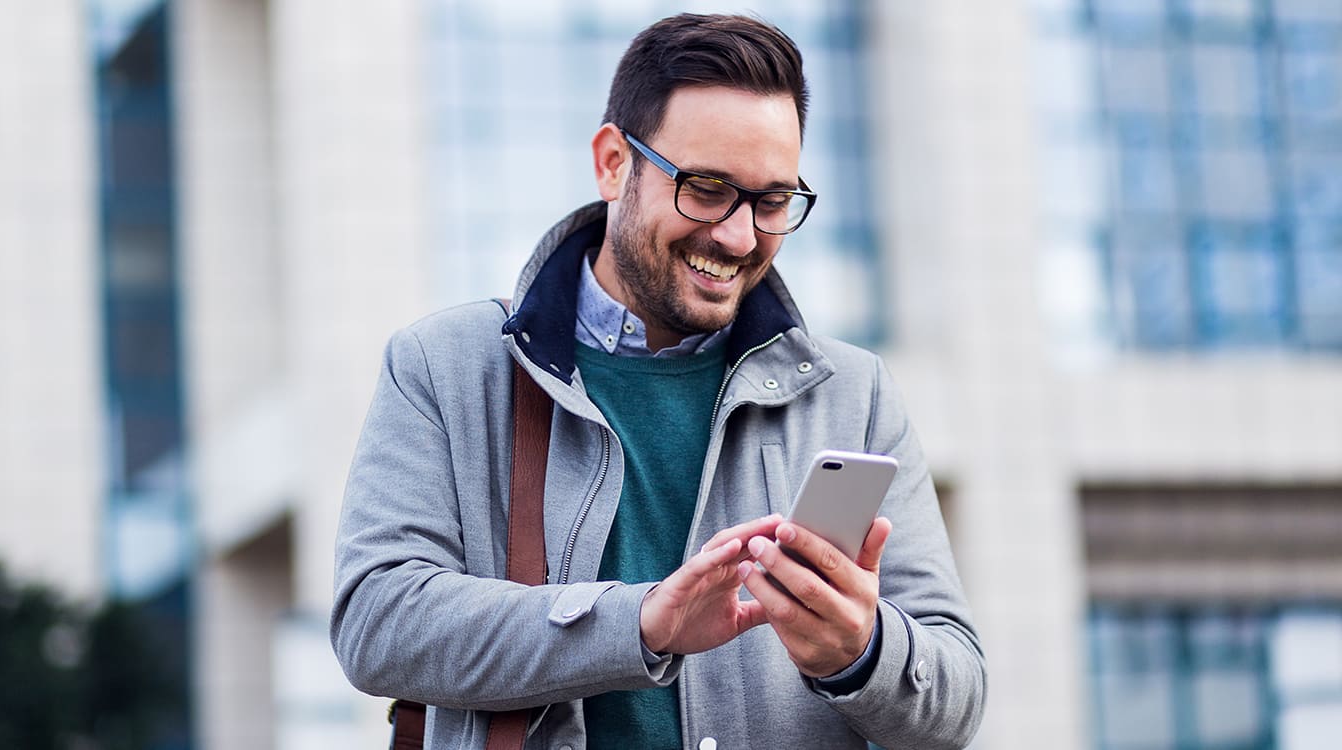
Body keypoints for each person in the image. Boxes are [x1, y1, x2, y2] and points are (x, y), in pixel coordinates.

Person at [331, 13, 985, 750]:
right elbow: (377, 622)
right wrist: (640, 623)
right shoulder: (442, 366)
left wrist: (859, 652)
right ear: (614, 163)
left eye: (771, 202)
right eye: (707, 189)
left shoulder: (853, 393)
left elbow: (956, 700)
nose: (738, 237)